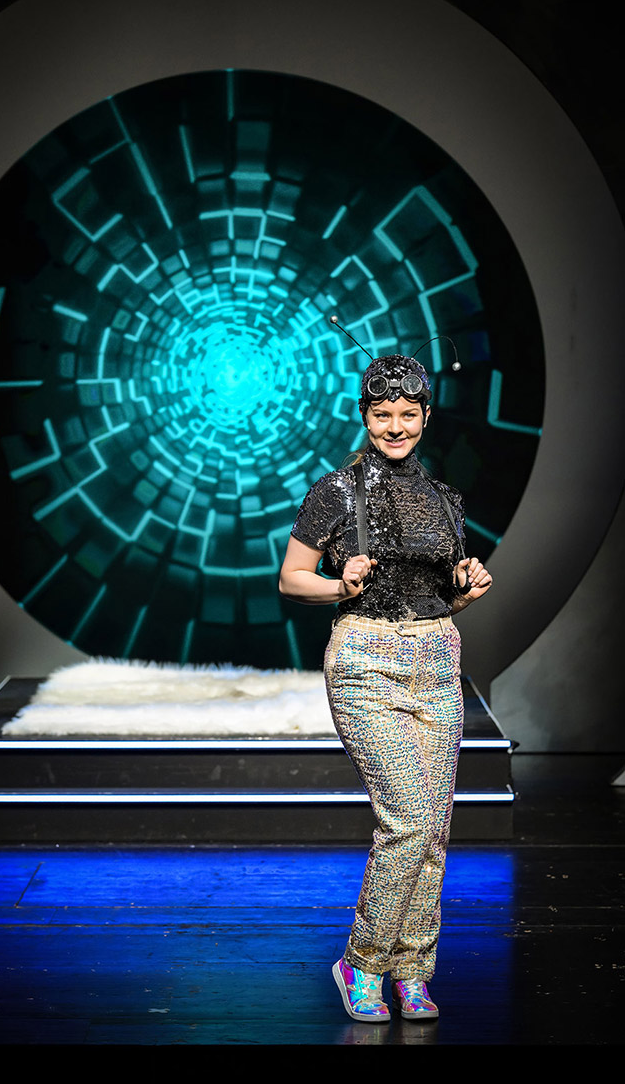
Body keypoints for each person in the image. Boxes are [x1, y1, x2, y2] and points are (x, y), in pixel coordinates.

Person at [278, 350, 492, 1023]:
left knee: (435, 827)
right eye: (381, 414)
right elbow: (291, 579)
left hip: (437, 657)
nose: (395, 427)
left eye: (407, 414)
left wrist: (465, 592)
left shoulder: (445, 500)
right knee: (408, 818)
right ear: (364, 415)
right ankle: (362, 961)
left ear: (426, 415)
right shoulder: (336, 492)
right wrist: (339, 584)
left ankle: (412, 968)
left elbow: (436, 594)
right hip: (366, 659)